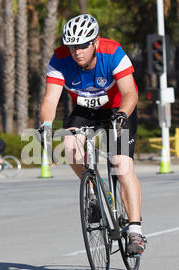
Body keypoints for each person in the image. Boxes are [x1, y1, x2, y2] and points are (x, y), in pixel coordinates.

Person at [38, 14, 146, 255]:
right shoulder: (60, 59)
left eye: (83, 45)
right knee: (68, 144)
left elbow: (130, 92)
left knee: (122, 165)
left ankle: (136, 231)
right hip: (85, 110)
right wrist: (45, 125)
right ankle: (95, 192)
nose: (77, 52)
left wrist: (122, 115)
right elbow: (50, 98)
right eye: (73, 46)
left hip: (118, 110)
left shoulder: (113, 52)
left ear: (95, 42)